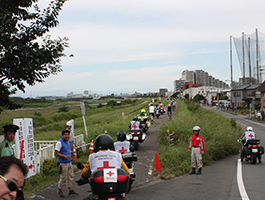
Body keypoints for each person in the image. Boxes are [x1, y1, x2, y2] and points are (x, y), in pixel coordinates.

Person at [55, 130, 78, 198]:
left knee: (70, 176)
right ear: (62, 135)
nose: (67, 136)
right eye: (65, 134)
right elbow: (56, 153)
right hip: (63, 163)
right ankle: (60, 190)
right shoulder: (59, 142)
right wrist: (65, 156)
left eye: (68, 134)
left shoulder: (67, 142)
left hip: (69, 162)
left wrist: (71, 153)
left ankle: (70, 190)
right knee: (63, 178)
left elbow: (66, 149)